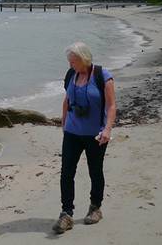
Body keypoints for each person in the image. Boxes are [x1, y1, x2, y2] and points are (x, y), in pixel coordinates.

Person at [52, 41, 116, 234]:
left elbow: (112, 106)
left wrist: (107, 129)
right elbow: (67, 99)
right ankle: (66, 213)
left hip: (95, 135)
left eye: (74, 61)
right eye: (69, 61)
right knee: (66, 172)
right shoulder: (71, 75)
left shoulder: (102, 76)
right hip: (72, 133)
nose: (71, 65)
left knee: (95, 171)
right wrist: (64, 123)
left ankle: (95, 207)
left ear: (84, 59)